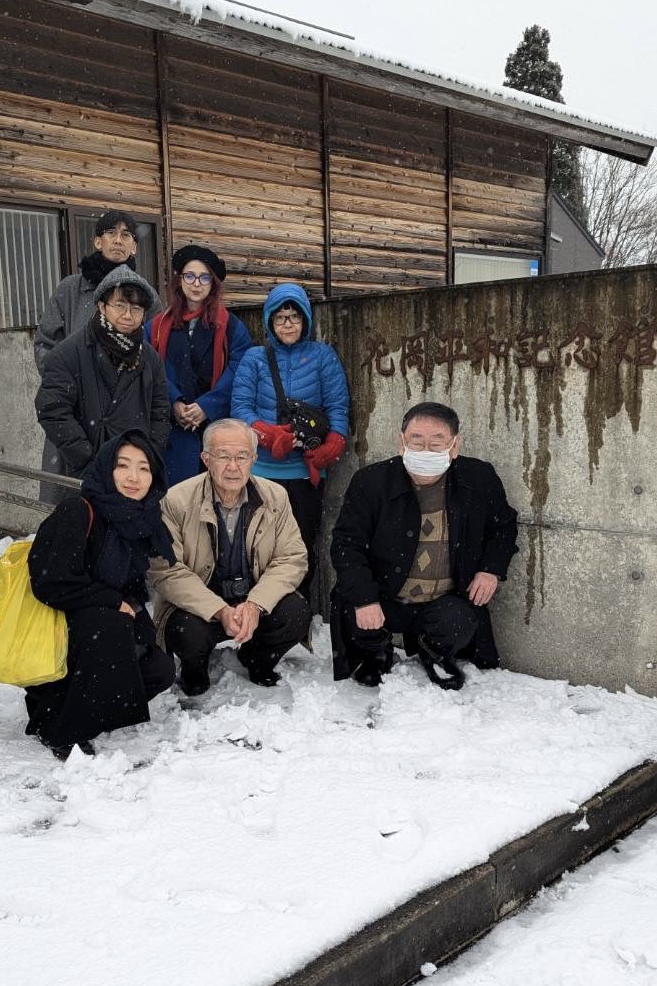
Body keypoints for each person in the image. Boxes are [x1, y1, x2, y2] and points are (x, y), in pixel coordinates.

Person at [330, 402, 518, 691]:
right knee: (350, 605)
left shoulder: (478, 478)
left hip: (444, 598)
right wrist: (365, 599)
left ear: (455, 445)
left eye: (436, 442)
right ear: (402, 441)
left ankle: (432, 652)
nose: (426, 450)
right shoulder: (371, 482)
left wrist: (491, 570)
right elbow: (347, 544)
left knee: (459, 620)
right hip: (385, 595)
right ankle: (376, 655)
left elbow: (502, 528)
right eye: (417, 440)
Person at [26, 430, 177, 760]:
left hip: (99, 628)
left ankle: (81, 708)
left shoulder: (140, 520)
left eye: (144, 468)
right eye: (123, 466)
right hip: (58, 625)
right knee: (108, 626)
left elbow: (132, 584)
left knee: (159, 668)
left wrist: (135, 612)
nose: (133, 477)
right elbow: (51, 581)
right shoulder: (78, 511)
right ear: (107, 469)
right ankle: (62, 727)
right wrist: (110, 602)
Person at [150, 418, 311, 696]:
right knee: (187, 633)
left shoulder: (276, 496)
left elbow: (292, 558)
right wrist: (219, 610)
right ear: (206, 459)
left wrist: (255, 605)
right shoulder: (176, 500)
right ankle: (194, 670)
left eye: (242, 456)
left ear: (254, 459)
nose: (233, 466)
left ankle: (256, 659)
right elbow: (167, 570)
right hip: (200, 606)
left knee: (296, 613)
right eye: (223, 456)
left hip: (252, 599)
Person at [230, 282, 349, 597]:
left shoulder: (323, 356)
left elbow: (337, 405)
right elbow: (241, 408)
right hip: (260, 471)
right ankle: (258, 604)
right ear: (270, 320)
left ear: (306, 320)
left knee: (301, 542)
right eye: (280, 317)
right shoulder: (255, 358)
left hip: (305, 470)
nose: (288, 323)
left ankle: (297, 609)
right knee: (257, 542)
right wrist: (268, 436)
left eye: (295, 316)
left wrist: (334, 442)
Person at [34, 210, 162, 501]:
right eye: (111, 234)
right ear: (97, 242)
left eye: (126, 235)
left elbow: (153, 356)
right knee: (70, 507)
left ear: (135, 246)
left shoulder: (147, 297)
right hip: (75, 414)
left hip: (126, 416)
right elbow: (45, 344)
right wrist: (69, 385)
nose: (118, 241)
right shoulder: (70, 288)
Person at [149, 244, 252, 485]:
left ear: (213, 283)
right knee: (176, 501)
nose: (196, 284)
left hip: (215, 428)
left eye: (204, 277)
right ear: (179, 281)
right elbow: (152, 367)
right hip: (171, 431)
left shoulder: (231, 327)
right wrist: (174, 400)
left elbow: (240, 369)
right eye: (190, 276)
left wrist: (207, 405)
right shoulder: (156, 327)